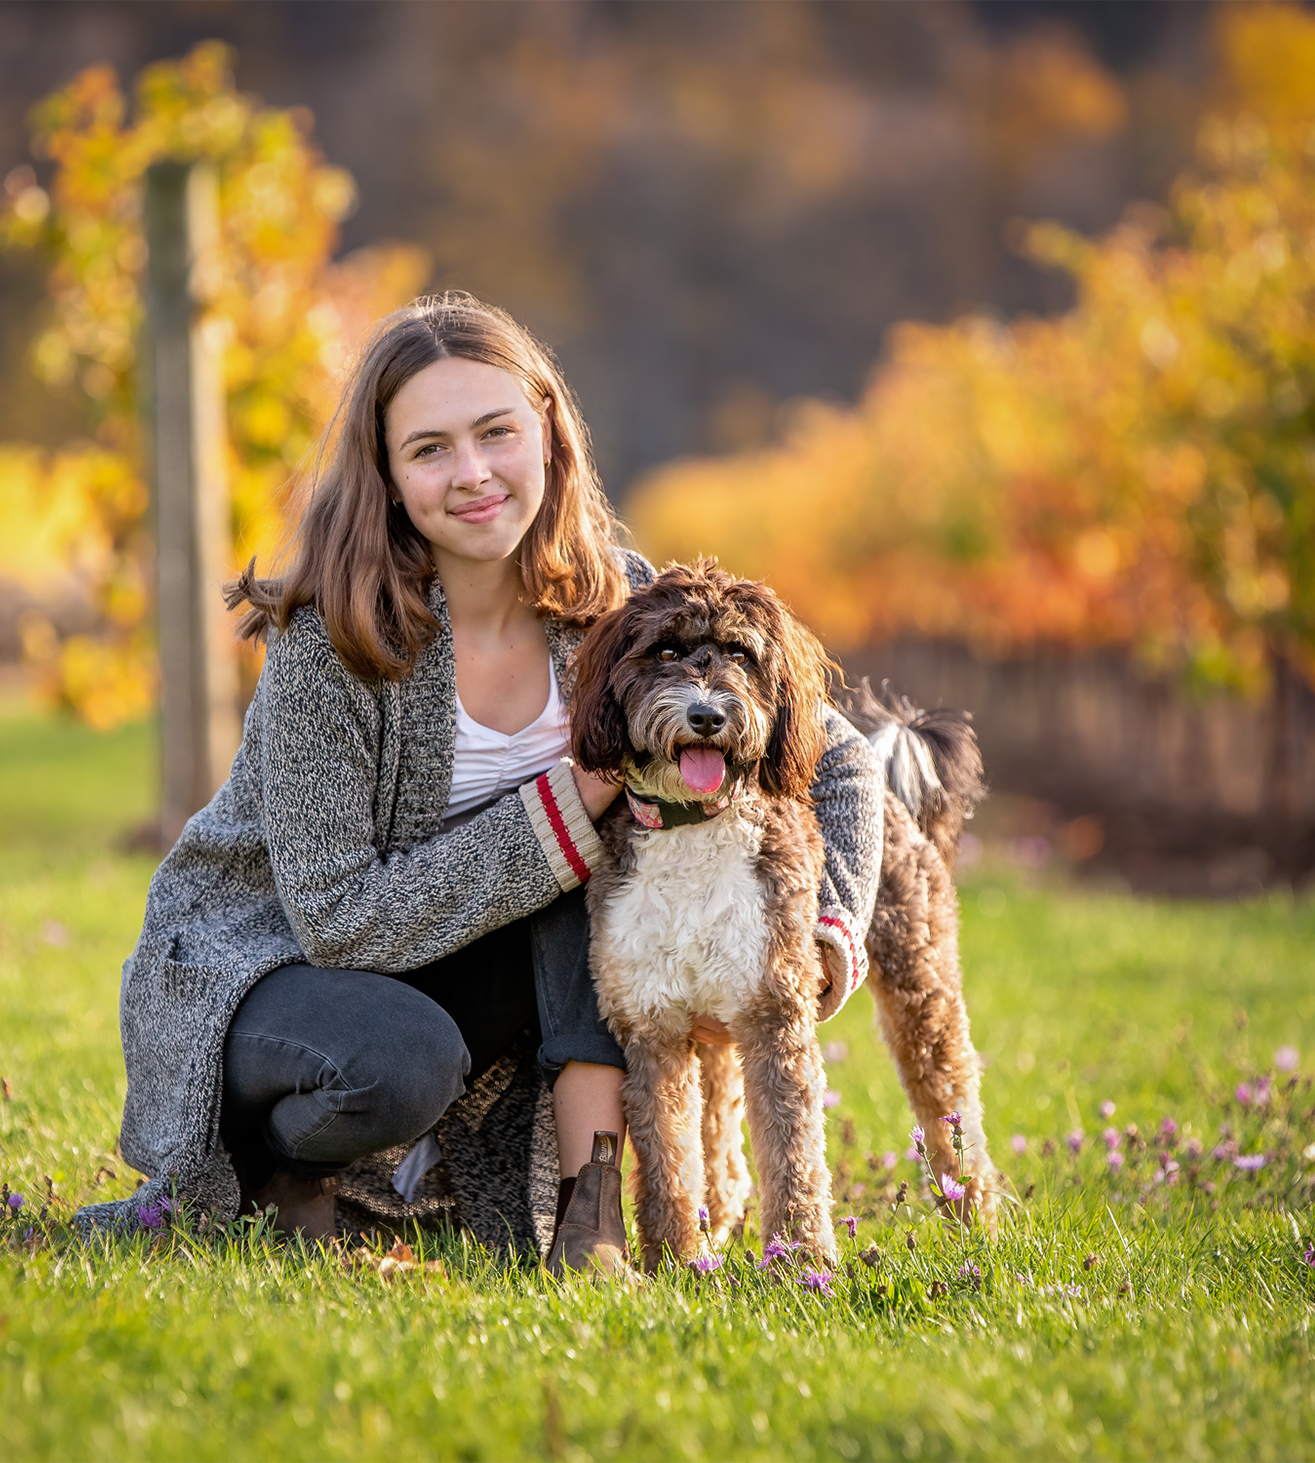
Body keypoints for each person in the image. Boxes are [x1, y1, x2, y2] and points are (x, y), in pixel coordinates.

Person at [76, 293, 883, 1274]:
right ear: (386, 473)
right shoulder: (334, 639)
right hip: (269, 968)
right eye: (428, 449)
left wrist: (825, 932)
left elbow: (836, 752)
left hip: (465, 970)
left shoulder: (619, 604)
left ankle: (588, 1209)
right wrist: (561, 804)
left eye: (495, 432)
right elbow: (334, 916)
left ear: (545, 427)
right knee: (398, 1055)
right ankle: (254, 1175)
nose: (471, 474)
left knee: (599, 885)